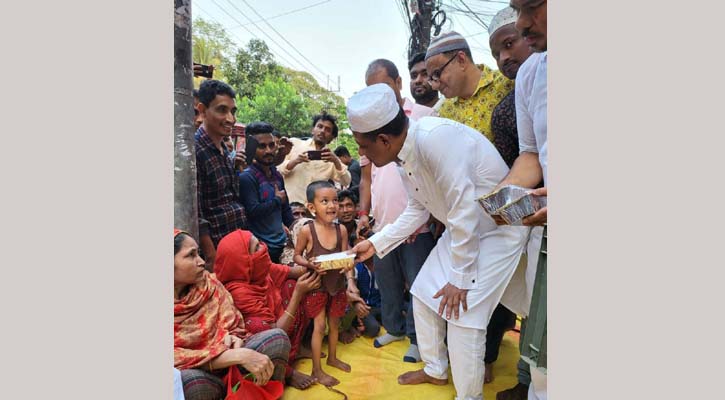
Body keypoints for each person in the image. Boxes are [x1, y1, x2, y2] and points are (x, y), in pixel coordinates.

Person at [347, 84, 528, 400]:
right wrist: (376, 243)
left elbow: (464, 210)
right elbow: (419, 208)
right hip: (465, 231)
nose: (361, 153)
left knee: (462, 315)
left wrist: (460, 279)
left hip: (499, 231)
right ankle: (435, 369)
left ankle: (468, 397)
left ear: (384, 140)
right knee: (423, 292)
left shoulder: (435, 139)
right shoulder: (403, 153)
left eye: (363, 146)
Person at [357, 58, 437, 363]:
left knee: (419, 286)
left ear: (398, 83)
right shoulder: (365, 126)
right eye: (370, 90)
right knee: (388, 283)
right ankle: (395, 328)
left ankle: (420, 341)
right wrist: (364, 216)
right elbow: (366, 179)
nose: (376, 95)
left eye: (382, 87)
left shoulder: (420, 116)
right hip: (382, 225)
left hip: (417, 224)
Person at [496, 1, 548, 399]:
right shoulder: (533, 72)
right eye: (517, 8)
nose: (523, 22)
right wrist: (505, 198)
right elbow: (532, 153)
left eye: (533, 5)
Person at [174, 229, 290, 400]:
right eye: (191, 255)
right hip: (204, 376)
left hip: (232, 365)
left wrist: (235, 337)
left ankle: (262, 395)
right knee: (188, 381)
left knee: (276, 339)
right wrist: (235, 355)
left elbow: (233, 322)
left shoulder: (209, 284)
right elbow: (175, 358)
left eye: (198, 253)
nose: (201, 262)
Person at [213, 229, 323, 390]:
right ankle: (287, 372)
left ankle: (296, 348)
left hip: (277, 323)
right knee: (261, 323)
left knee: (293, 284)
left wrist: (314, 265)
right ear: (243, 261)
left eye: (260, 243)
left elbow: (293, 272)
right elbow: (276, 331)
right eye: (256, 247)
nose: (263, 248)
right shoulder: (239, 292)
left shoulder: (260, 268)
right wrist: (298, 294)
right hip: (260, 342)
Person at [293, 181, 357, 387]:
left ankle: (332, 357)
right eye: (325, 201)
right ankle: (316, 370)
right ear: (311, 208)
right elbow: (296, 256)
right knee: (319, 326)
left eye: (335, 201)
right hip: (317, 284)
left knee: (335, 323)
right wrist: (309, 263)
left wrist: (350, 275)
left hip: (336, 284)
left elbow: (346, 258)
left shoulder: (342, 231)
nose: (332, 206)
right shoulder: (307, 231)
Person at [424, 31, 513, 142]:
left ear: (461, 60)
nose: (434, 86)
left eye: (437, 74)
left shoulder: (507, 84)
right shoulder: (443, 114)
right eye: (431, 79)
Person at [195, 80, 248, 247]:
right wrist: (211, 255)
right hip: (218, 248)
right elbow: (196, 212)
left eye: (232, 111)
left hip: (237, 240)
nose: (230, 119)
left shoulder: (225, 149)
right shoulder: (196, 151)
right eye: (222, 110)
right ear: (203, 111)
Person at [238, 122, 295, 263]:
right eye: (262, 146)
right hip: (261, 250)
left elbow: (285, 211)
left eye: (271, 145)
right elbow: (252, 211)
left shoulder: (277, 176)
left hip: (281, 246)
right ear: (251, 148)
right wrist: (276, 200)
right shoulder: (247, 177)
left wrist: (298, 229)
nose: (268, 150)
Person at [278, 112, 351, 204]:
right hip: (290, 207)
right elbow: (277, 170)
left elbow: (346, 181)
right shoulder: (294, 144)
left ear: (332, 138)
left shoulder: (331, 159)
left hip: (314, 211)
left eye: (327, 130)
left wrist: (336, 161)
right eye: (319, 126)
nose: (322, 131)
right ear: (313, 130)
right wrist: (295, 161)